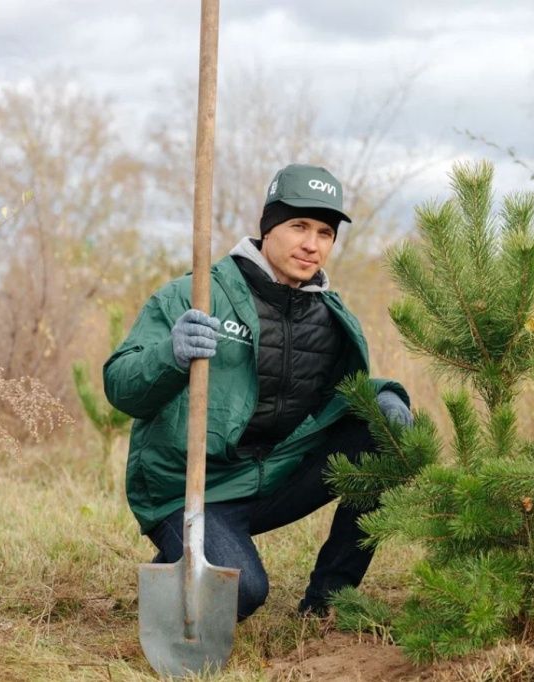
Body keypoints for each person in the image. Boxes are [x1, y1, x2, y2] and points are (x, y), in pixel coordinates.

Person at [104, 163, 412, 620]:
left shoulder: (330, 319)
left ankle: (328, 601)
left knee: (383, 429)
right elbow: (121, 386)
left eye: (325, 233)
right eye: (298, 226)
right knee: (241, 592)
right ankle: (185, 555)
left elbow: (335, 404)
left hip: (272, 478)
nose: (312, 244)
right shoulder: (197, 295)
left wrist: (387, 397)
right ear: (267, 227)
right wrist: (170, 356)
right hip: (190, 490)